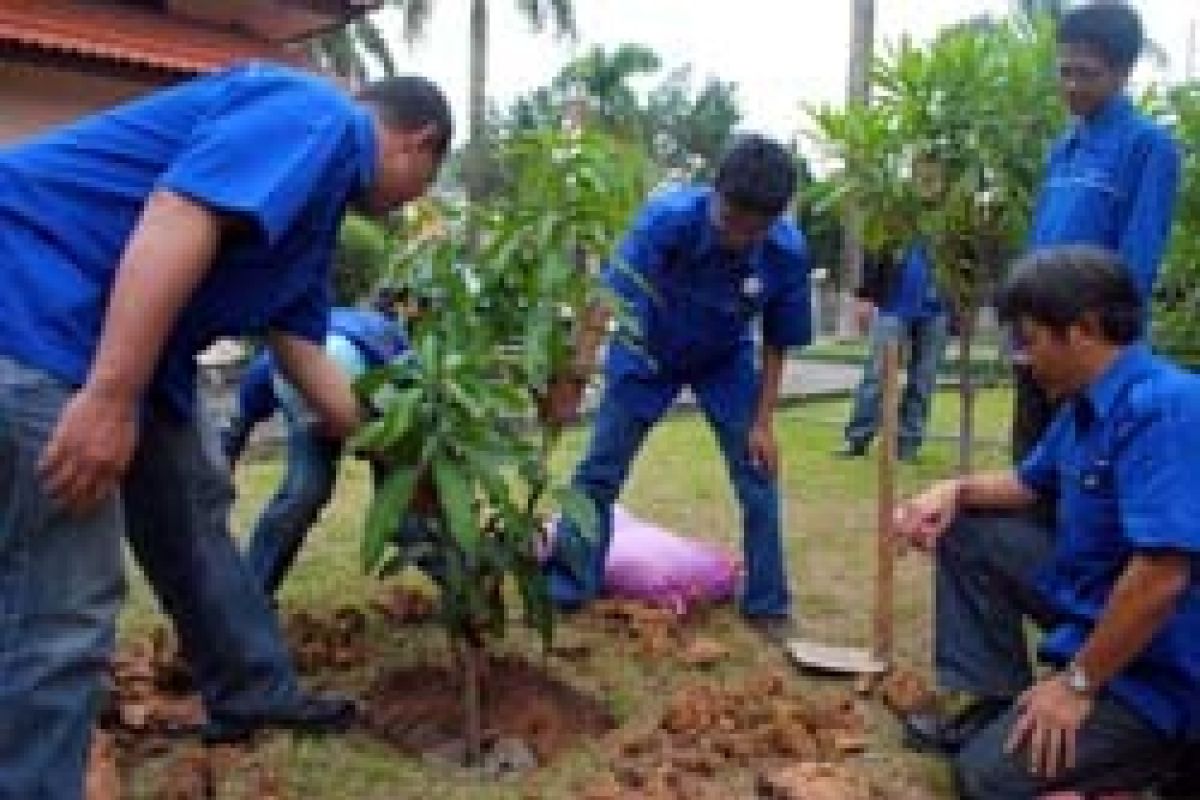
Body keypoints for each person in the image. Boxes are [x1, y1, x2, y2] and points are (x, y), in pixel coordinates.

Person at [0, 62, 451, 797]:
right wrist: (111, 398)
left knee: (192, 506)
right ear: (419, 144)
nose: (407, 209)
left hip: (124, 353)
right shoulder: (318, 116)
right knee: (63, 594)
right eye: (423, 189)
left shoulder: (313, 217)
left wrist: (408, 465)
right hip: (36, 305)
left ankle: (251, 689)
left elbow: (314, 370)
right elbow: (180, 216)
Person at [894, 246, 1200, 797]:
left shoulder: (1164, 408)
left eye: (1029, 340)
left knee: (988, 780)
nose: (1021, 359)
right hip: (1102, 613)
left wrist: (1077, 685)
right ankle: (992, 704)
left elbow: (1162, 576)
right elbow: (1028, 485)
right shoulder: (1084, 409)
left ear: (1082, 329)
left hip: (1166, 665)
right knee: (967, 530)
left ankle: (1160, 771)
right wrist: (954, 491)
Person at [540, 134, 813, 642]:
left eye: (754, 230)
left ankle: (768, 604)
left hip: (724, 360)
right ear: (715, 193)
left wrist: (763, 421)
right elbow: (607, 301)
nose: (738, 237)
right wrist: (574, 378)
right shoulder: (666, 221)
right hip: (647, 350)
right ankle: (570, 587)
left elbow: (779, 339)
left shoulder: (786, 252)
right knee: (599, 472)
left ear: (773, 221)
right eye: (731, 221)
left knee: (758, 475)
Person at [1013, 2, 1180, 460]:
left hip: (1089, 351)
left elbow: (1137, 263)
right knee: (1029, 473)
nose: (1072, 86)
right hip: (1039, 343)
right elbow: (1040, 244)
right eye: (1064, 72)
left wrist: (1102, 347)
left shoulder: (1148, 147)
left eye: (1086, 74)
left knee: (1083, 484)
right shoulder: (1062, 149)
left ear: (1123, 72)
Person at [223, 297, 411, 595]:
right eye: (317, 423)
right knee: (303, 492)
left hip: (384, 410)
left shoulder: (390, 356)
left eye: (330, 422)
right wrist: (214, 487)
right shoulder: (269, 370)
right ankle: (251, 599)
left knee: (404, 512)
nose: (330, 434)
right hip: (328, 390)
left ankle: (463, 591)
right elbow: (234, 431)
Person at [835, 242, 948, 462]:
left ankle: (908, 446)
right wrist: (865, 296)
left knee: (923, 380)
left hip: (936, 311)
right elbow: (874, 250)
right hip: (893, 307)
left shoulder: (953, 218)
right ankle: (857, 439)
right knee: (876, 376)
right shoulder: (894, 216)